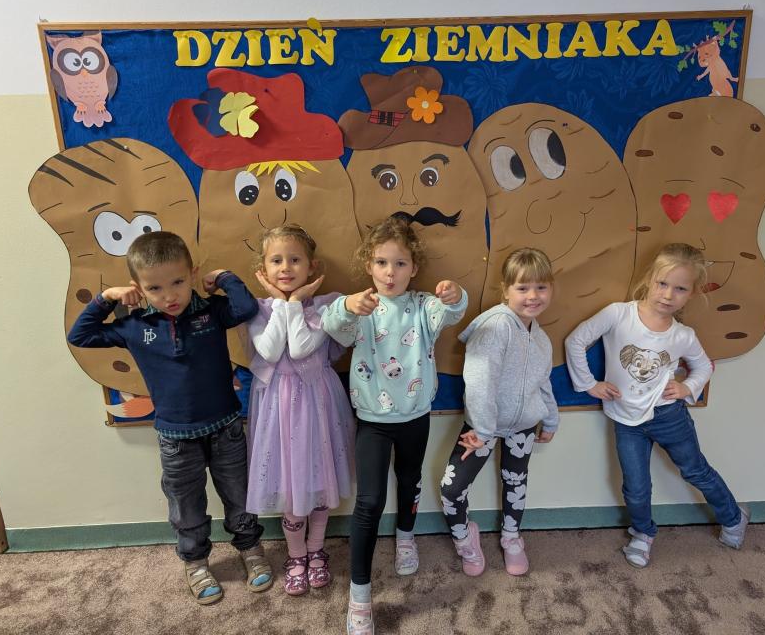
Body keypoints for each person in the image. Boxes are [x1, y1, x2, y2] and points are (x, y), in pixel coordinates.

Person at [67, 231, 271, 604]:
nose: (169, 295)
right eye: (155, 288)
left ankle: (251, 550)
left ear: (192, 274)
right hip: (176, 438)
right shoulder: (134, 326)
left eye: (177, 282)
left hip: (225, 427)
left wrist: (224, 278)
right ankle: (196, 563)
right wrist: (106, 298)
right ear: (138, 288)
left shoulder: (211, 311)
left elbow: (246, 309)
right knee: (186, 506)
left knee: (239, 495)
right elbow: (80, 335)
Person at [321, 217, 467, 635]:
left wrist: (456, 295)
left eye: (400, 263)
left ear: (413, 267)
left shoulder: (421, 306)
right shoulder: (361, 305)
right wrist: (347, 306)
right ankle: (360, 596)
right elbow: (333, 327)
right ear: (369, 265)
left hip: (415, 416)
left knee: (409, 481)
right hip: (372, 419)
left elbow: (451, 312)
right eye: (382, 263)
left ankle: (405, 537)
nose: (390, 272)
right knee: (369, 502)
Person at [565, 242, 749, 568]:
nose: (667, 294)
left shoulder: (683, 335)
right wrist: (589, 384)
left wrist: (687, 386)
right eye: (662, 283)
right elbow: (575, 341)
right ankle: (642, 533)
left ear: (692, 293)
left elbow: (703, 366)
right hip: (627, 421)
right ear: (649, 279)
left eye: (680, 289)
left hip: (669, 417)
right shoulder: (618, 314)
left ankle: (733, 516)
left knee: (696, 471)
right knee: (636, 486)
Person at [244, 224, 355, 596]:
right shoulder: (258, 309)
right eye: (276, 261)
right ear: (263, 269)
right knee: (290, 484)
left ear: (312, 267)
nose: (285, 268)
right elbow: (271, 350)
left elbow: (302, 346)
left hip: (318, 403)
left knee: (319, 479)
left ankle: (316, 548)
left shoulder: (327, 306)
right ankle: (295, 556)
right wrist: (282, 303)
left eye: (294, 260)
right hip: (278, 407)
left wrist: (295, 303)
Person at [440, 248, 559, 577]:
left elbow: (543, 382)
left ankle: (511, 537)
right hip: (483, 428)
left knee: (516, 482)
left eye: (541, 287)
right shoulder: (495, 327)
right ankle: (465, 539)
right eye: (522, 287)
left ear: (551, 289)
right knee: (452, 490)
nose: (533, 296)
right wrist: (482, 430)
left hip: (523, 426)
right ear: (506, 290)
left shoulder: (541, 339)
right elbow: (480, 381)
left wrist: (550, 418)